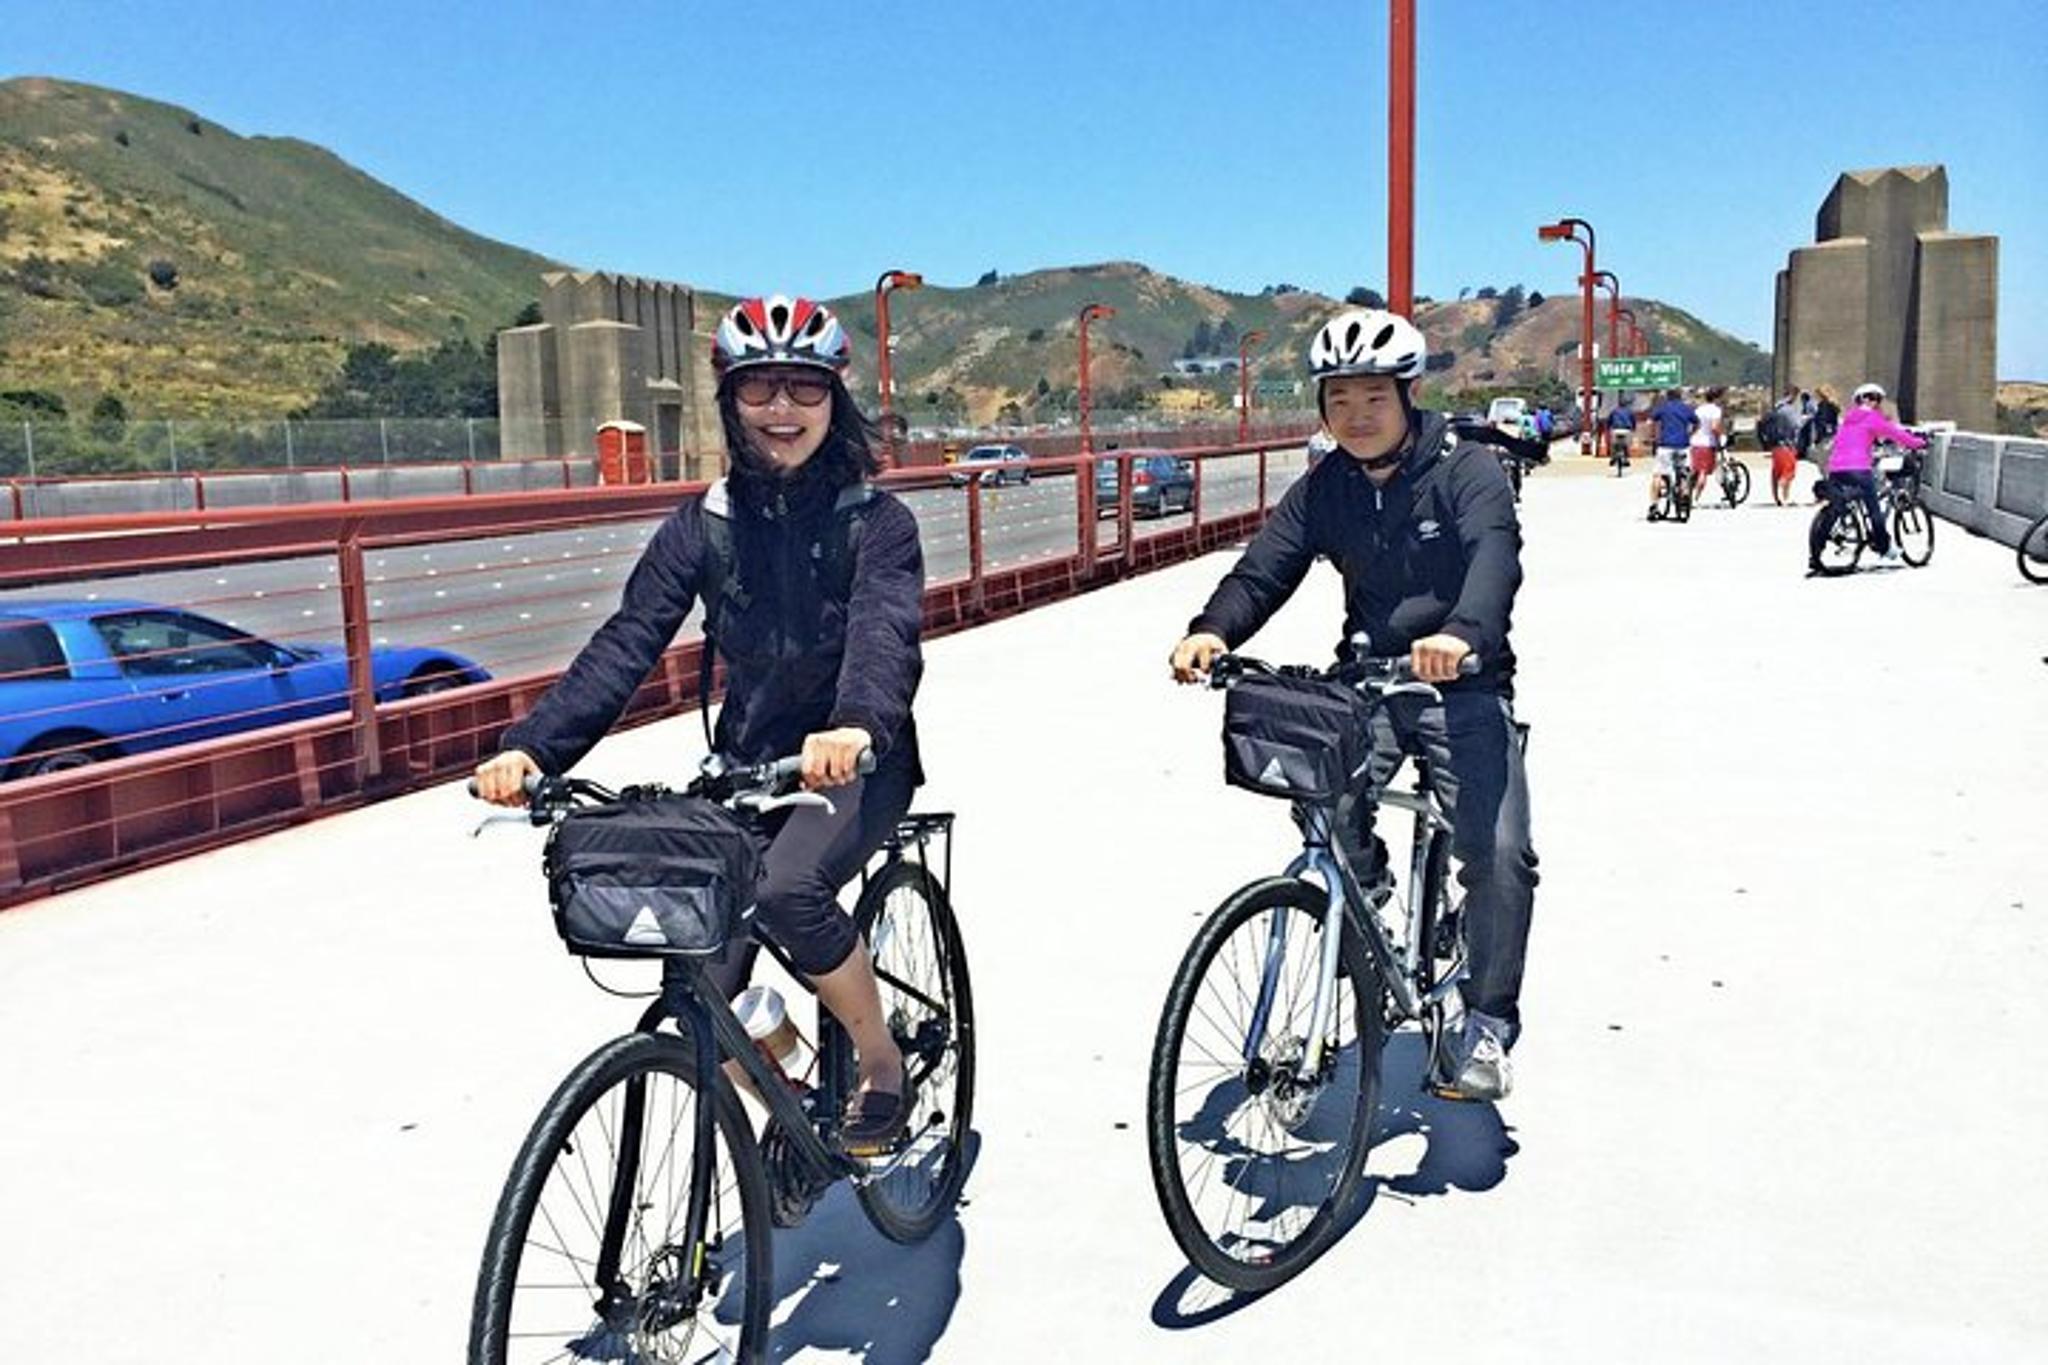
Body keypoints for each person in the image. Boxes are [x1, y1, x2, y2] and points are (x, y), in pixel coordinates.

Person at [471, 294, 927, 1155]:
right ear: (730, 400)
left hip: (856, 764)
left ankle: (880, 1066)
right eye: (761, 390)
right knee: (698, 982)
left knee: (786, 890)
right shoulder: (705, 525)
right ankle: (786, 1092)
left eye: (804, 388)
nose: (783, 410)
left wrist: (857, 725)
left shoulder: (878, 523)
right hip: (745, 766)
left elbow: (883, 635)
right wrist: (533, 747)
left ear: (836, 400)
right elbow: (629, 638)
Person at [1167, 307, 1539, 1102]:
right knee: (1315, 793)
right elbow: (1263, 569)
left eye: (1373, 397)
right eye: (1339, 400)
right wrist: (1210, 629)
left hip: (1461, 681)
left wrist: (1464, 631)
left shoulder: (1465, 469)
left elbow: (1494, 559)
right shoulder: (1326, 487)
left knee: (1500, 854)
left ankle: (1487, 1023)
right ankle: (1363, 892)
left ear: (1408, 395)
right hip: (1366, 678)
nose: (1356, 416)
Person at [1807, 381, 1927, 573]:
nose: (1875, 403)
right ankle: (1885, 547)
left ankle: (1817, 552)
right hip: (1858, 468)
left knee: (1843, 503)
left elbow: (1844, 441)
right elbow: (1897, 434)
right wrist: (1919, 443)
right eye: (1875, 399)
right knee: (1874, 510)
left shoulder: (1847, 419)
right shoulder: (1873, 418)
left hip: (1836, 468)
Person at [1646, 386, 1696, 516]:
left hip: (1665, 445)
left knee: (1658, 475)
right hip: (1683, 445)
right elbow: (1697, 422)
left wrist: (1652, 436)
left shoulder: (1663, 408)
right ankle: (1684, 493)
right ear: (1680, 396)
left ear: (1668, 396)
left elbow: (1650, 421)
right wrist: (1691, 434)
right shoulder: (1686, 408)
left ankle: (1654, 506)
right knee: (1684, 472)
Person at [1767, 388, 1805, 506]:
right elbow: (1797, 424)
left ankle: (1779, 497)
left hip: (1775, 445)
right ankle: (1783, 497)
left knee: (1777, 471)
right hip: (1787, 444)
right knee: (1788, 472)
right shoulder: (1789, 410)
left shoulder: (1776, 409)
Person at [1688, 386, 1724, 502]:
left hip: (1695, 442)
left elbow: (1693, 426)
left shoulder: (1699, 410)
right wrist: (1719, 438)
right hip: (1707, 443)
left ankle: (1687, 494)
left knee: (1694, 470)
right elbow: (1714, 427)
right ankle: (1696, 497)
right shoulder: (1715, 411)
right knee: (1703, 472)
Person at [1606, 401, 1637, 474]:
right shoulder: (1629, 412)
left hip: (1616, 430)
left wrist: (1608, 428)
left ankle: (1613, 458)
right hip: (1626, 430)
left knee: (1613, 445)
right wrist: (1633, 429)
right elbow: (1633, 421)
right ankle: (1626, 458)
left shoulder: (1614, 411)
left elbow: (1609, 421)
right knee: (1627, 444)